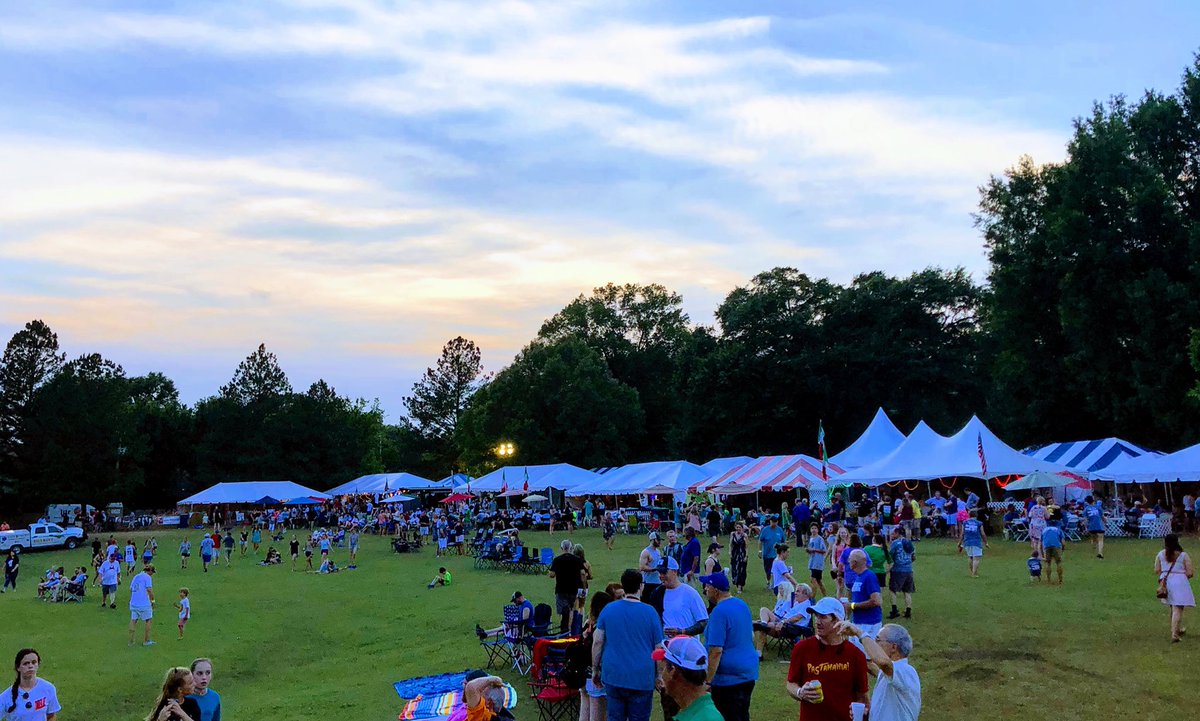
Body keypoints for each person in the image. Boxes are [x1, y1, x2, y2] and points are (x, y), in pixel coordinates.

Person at [593, 569, 663, 721]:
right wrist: (659, 675)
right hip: (641, 677)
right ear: (641, 586)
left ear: (623, 587)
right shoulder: (650, 612)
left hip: (614, 675)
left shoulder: (608, 610)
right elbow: (659, 648)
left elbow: (597, 642)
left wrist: (595, 669)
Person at [786, 598, 869, 720]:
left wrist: (863, 713)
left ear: (838, 620)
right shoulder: (802, 648)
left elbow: (862, 696)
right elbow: (791, 683)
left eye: (823, 617)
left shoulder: (855, 654)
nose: (817, 622)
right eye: (816, 616)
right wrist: (800, 692)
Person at [698, 571, 757, 721]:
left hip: (728, 679)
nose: (705, 589)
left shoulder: (719, 612)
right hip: (748, 673)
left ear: (716, 590)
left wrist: (708, 681)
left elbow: (716, 651)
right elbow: (750, 636)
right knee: (742, 714)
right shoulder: (741, 604)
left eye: (707, 586)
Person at [652, 635, 722, 721]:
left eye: (664, 669)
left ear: (672, 671)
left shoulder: (707, 717)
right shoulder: (692, 711)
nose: (662, 676)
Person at [753, 581, 813, 658]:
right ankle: (763, 623)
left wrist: (783, 621)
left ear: (805, 594)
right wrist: (781, 620)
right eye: (795, 591)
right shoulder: (798, 603)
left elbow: (796, 618)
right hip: (783, 623)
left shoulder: (806, 606)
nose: (795, 593)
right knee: (764, 610)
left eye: (798, 591)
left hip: (790, 628)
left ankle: (758, 652)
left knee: (763, 627)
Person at [577, 592, 613, 721]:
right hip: (596, 673)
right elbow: (598, 646)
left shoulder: (588, 624)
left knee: (585, 710)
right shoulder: (601, 627)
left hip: (583, 672)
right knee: (597, 713)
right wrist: (595, 669)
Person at [1155, 534, 1195, 643]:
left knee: (1172, 606)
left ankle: (1176, 629)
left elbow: (1157, 570)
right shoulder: (1183, 555)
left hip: (1166, 581)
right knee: (1178, 608)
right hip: (1180, 581)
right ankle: (1174, 634)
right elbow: (1190, 572)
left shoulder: (1160, 554)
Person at [4, 648, 60, 721]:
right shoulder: (6, 696)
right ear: (18, 667)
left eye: (34, 662)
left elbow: (51, 716)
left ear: (38, 664)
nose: (30, 666)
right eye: (26, 663)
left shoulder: (48, 688)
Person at [842, 550, 883, 639]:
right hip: (858, 621)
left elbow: (876, 601)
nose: (848, 562)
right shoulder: (859, 576)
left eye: (850, 559)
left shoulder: (869, 576)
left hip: (869, 624)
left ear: (855, 562)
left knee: (864, 651)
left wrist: (852, 606)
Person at [549, 539, 586, 633]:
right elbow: (582, 574)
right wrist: (584, 587)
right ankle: (572, 629)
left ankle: (565, 629)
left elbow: (552, 574)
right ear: (571, 548)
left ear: (562, 548)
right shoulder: (577, 560)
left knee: (563, 611)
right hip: (573, 589)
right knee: (572, 610)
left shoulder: (557, 560)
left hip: (561, 589)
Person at [887, 527, 915, 620]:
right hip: (909, 570)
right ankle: (908, 611)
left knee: (893, 590)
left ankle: (894, 610)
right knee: (907, 591)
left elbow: (890, 555)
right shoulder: (909, 542)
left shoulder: (895, 543)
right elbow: (913, 556)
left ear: (897, 533)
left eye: (893, 533)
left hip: (898, 570)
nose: (892, 535)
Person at [129, 564, 157, 647]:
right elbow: (149, 589)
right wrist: (153, 600)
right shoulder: (147, 577)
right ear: (150, 571)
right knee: (148, 620)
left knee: (133, 621)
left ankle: (131, 641)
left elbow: (131, 588)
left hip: (134, 603)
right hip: (144, 603)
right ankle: (147, 641)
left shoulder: (136, 576)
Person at [759, 516, 786, 590]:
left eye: (775, 522)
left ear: (777, 522)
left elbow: (784, 541)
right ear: (770, 521)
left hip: (777, 555)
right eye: (772, 521)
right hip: (767, 554)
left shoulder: (780, 530)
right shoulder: (765, 530)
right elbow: (760, 540)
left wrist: (783, 550)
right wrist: (760, 551)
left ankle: (775, 584)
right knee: (768, 570)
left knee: (776, 570)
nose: (773, 523)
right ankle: (768, 581)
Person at [958, 510, 988, 578]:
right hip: (976, 542)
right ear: (976, 515)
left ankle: (972, 572)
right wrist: (986, 542)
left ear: (969, 515)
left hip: (967, 542)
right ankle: (974, 574)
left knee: (970, 557)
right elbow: (983, 534)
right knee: (976, 558)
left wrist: (959, 543)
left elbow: (962, 534)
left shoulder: (965, 522)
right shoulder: (979, 523)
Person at [638, 533, 664, 603]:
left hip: (658, 582)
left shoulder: (658, 551)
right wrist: (654, 569)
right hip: (648, 583)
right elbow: (642, 567)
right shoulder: (646, 552)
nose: (660, 542)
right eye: (658, 540)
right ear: (653, 540)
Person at [804, 524, 828, 597]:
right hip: (812, 561)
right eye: (812, 528)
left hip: (818, 562)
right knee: (818, 581)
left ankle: (812, 597)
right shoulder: (811, 538)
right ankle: (825, 596)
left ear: (818, 530)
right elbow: (811, 549)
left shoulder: (820, 538)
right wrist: (808, 550)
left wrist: (813, 550)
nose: (813, 530)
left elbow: (824, 550)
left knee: (813, 580)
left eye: (815, 528)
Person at [728, 523, 748, 594]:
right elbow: (730, 544)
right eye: (737, 527)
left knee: (741, 570)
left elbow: (746, 547)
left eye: (739, 527)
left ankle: (740, 586)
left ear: (742, 528)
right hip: (735, 554)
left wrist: (746, 555)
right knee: (735, 569)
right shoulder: (732, 534)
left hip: (742, 554)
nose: (738, 529)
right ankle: (737, 583)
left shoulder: (744, 535)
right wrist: (730, 552)